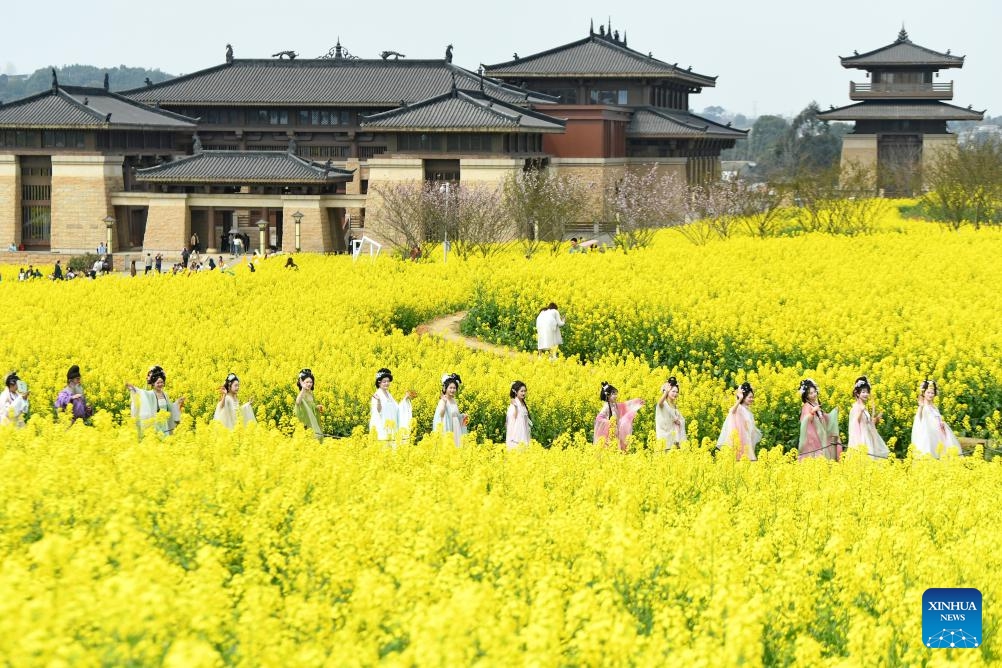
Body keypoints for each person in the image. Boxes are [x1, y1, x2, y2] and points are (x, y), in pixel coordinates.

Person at [126, 365, 185, 437]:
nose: (160, 384)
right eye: (158, 383)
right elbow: (141, 393)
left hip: (165, 423)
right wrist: (133, 389)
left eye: (162, 382)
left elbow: (169, 408)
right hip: (155, 424)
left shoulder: (165, 394)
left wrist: (177, 403)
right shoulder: (150, 394)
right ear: (153, 383)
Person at [911, 379, 962, 458]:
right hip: (928, 433)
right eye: (928, 392)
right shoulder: (922, 406)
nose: (930, 395)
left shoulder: (934, 407)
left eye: (932, 393)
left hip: (939, 433)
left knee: (942, 450)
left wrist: (941, 424)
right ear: (924, 393)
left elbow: (938, 418)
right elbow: (919, 418)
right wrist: (921, 406)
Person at [796, 379, 841, 461]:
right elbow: (805, 420)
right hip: (813, 438)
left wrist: (833, 413)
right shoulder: (806, 406)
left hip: (821, 435)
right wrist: (813, 411)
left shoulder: (816, 404)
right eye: (810, 393)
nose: (814, 395)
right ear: (806, 396)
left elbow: (824, 417)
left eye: (814, 392)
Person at [369, 368, 415, 445]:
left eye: (388, 381)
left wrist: (405, 398)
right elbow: (378, 411)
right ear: (379, 382)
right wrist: (379, 401)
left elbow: (397, 409)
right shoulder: (377, 395)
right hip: (382, 429)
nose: (387, 383)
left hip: (392, 428)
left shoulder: (389, 394)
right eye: (384, 382)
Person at [717, 382, 762, 461]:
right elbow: (732, 411)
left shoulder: (748, 410)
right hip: (741, 439)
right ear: (744, 398)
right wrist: (739, 399)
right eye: (750, 397)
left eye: (752, 397)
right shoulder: (739, 407)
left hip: (747, 438)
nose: (752, 399)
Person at [594, 382, 645, 451]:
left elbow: (625, 405)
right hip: (609, 434)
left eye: (616, 394)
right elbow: (599, 418)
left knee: (617, 450)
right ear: (608, 395)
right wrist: (609, 422)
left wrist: (636, 402)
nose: (616, 396)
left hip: (616, 432)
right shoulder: (606, 407)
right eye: (614, 394)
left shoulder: (614, 405)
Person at [847, 376, 889, 459]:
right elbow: (855, 423)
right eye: (863, 392)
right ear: (857, 393)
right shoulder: (856, 407)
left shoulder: (864, 407)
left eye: (867, 392)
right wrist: (860, 411)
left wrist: (876, 418)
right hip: (861, 438)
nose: (866, 394)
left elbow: (869, 423)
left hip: (868, 436)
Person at [433, 373, 468, 447]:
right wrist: (444, 403)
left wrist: (462, 416)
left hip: (456, 427)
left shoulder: (454, 400)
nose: (452, 390)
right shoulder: (443, 400)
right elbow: (441, 414)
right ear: (446, 388)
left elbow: (456, 415)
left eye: (454, 388)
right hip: (448, 427)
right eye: (450, 388)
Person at [655, 376, 686, 450]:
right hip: (664, 440)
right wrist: (665, 392)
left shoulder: (675, 407)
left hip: (674, 441)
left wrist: (679, 422)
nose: (675, 394)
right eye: (673, 391)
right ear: (668, 391)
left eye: (677, 392)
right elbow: (659, 403)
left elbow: (680, 421)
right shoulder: (664, 404)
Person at [294, 368, 324, 441]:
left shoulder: (310, 393)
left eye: (311, 382)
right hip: (305, 421)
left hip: (312, 419)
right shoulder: (302, 393)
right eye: (307, 382)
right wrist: (303, 389)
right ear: (301, 383)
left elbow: (310, 406)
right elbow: (298, 402)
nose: (309, 384)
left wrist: (317, 407)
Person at [505, 381, 532, 449]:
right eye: (521, 391)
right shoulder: (514, 404)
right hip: (517, 438)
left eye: (525, 391)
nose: (524, 393)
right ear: (516, 392)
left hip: (524, 435)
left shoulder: (523, 404)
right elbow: (512, 421)